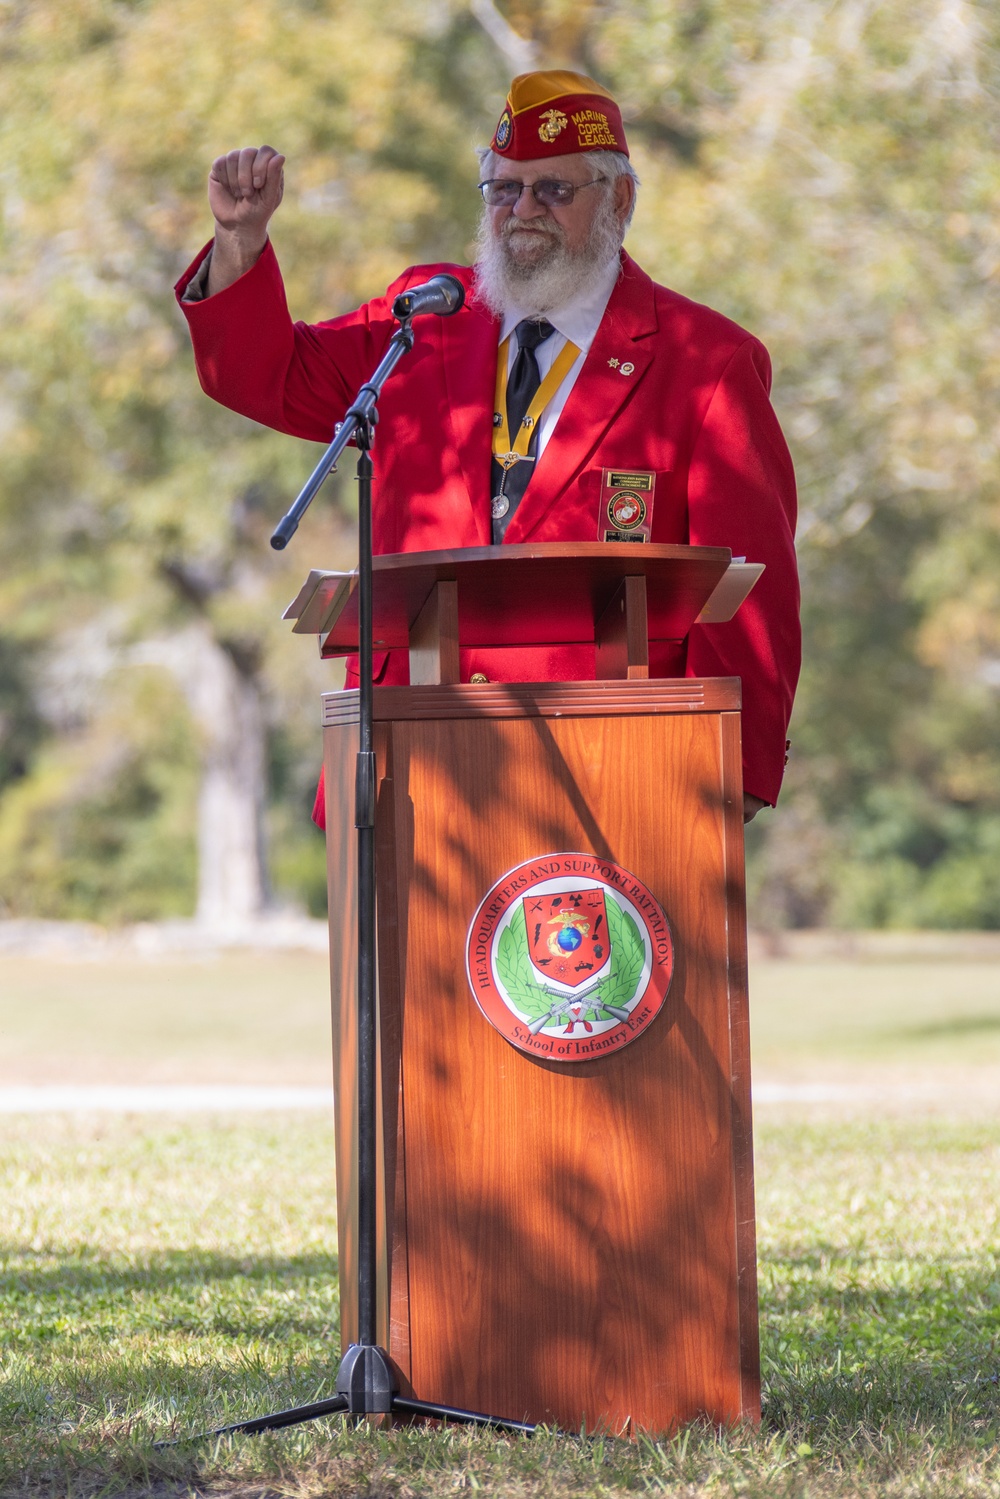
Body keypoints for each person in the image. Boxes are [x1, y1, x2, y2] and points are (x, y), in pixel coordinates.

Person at [175, 70, 800, 825]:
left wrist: (721, 785)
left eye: (553, 191)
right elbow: (264, 376)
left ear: (620, 200)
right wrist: (240, 240)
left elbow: (750, 602)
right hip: (407, 772)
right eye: (504, 190)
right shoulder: (426, 318)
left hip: (615, 785)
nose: (523, 211)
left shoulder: (707, 363)